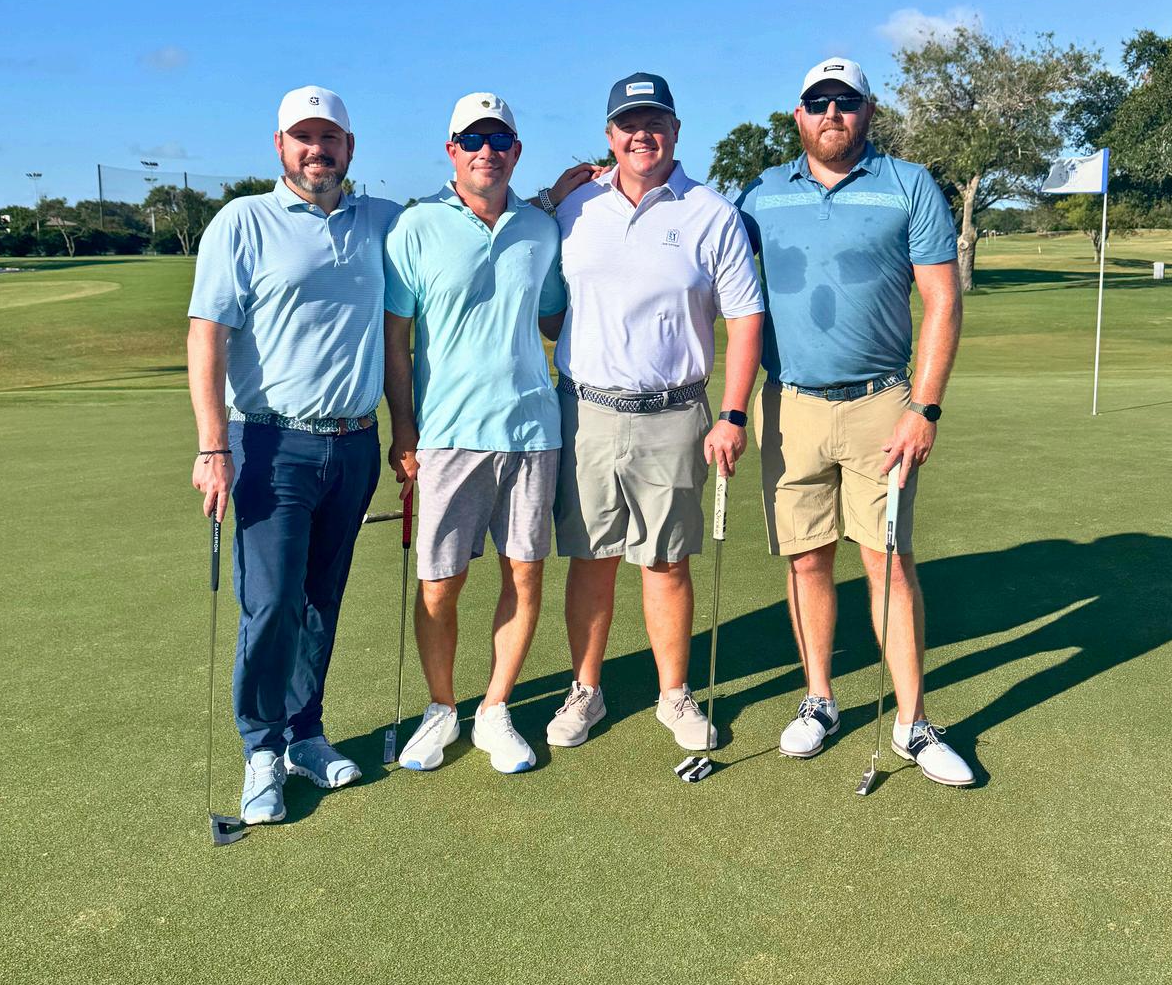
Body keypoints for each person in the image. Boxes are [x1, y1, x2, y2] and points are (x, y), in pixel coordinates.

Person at [735, 57, 973, 786]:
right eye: (818, 102)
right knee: (806, 559)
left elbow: (942, 301)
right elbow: (706, 262)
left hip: (883, 405)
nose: (831, 113)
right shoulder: (760, 193)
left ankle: (911, 722)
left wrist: (924, 407)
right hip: (790, 405)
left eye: (846, 101)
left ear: (868, 111)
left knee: (888, 561)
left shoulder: (908, 184)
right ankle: (820, 700)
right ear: (798, 115)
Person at [187, 86, 400, 824]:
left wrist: (556, 195)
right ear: (280, 146)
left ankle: (306, 734)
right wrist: (213, 444)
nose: (318, 149)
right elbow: (206, 335)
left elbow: (462, 211)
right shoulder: (243, 220)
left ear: (350, 146)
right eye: (303, 137)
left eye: (330, 137)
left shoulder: (381, 219)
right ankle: (261, 748)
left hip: (355, 441)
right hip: (268, 440)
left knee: (320, 599)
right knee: (272, 602)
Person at [543, 72, 765, 754]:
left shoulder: (712, 213)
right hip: (586, 411)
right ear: (610, 135)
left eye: (655, 122)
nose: (642, 135)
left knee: (665, 562)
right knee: (591, 558)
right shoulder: (574, 208)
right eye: (629, 124)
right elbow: (551, 309)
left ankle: (674, 694)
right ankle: (586, 689)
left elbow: (745, 318)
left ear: (675, 129)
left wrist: (733, 414)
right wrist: (549, 196)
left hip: (674, 413)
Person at [382, 93, 578, 774]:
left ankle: (495, 708)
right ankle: (441, 709)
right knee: (440, 583)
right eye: (472, 140)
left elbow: (553, 316)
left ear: (516, 152)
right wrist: (403, 427)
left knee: (523, 573)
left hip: (532, 431)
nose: (485, 151)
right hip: (446, 434)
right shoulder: (415, 227)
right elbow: (397, 339)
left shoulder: (541, 228)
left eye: (498, 140)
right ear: (451, 150)